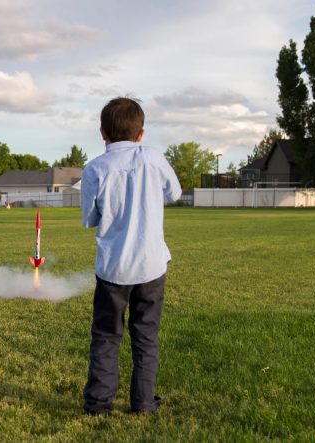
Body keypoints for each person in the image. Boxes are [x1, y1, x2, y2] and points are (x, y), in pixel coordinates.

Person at [80, 97, 182, 415]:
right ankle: (143, 403)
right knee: (146, 335)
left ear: (102, 133)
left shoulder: (95, 168)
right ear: (141, 134)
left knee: (106, 336)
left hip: (113, 269)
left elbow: (90, 219)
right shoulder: (152, 158)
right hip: (151, 264)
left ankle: (98, 404)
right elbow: (175, 193)